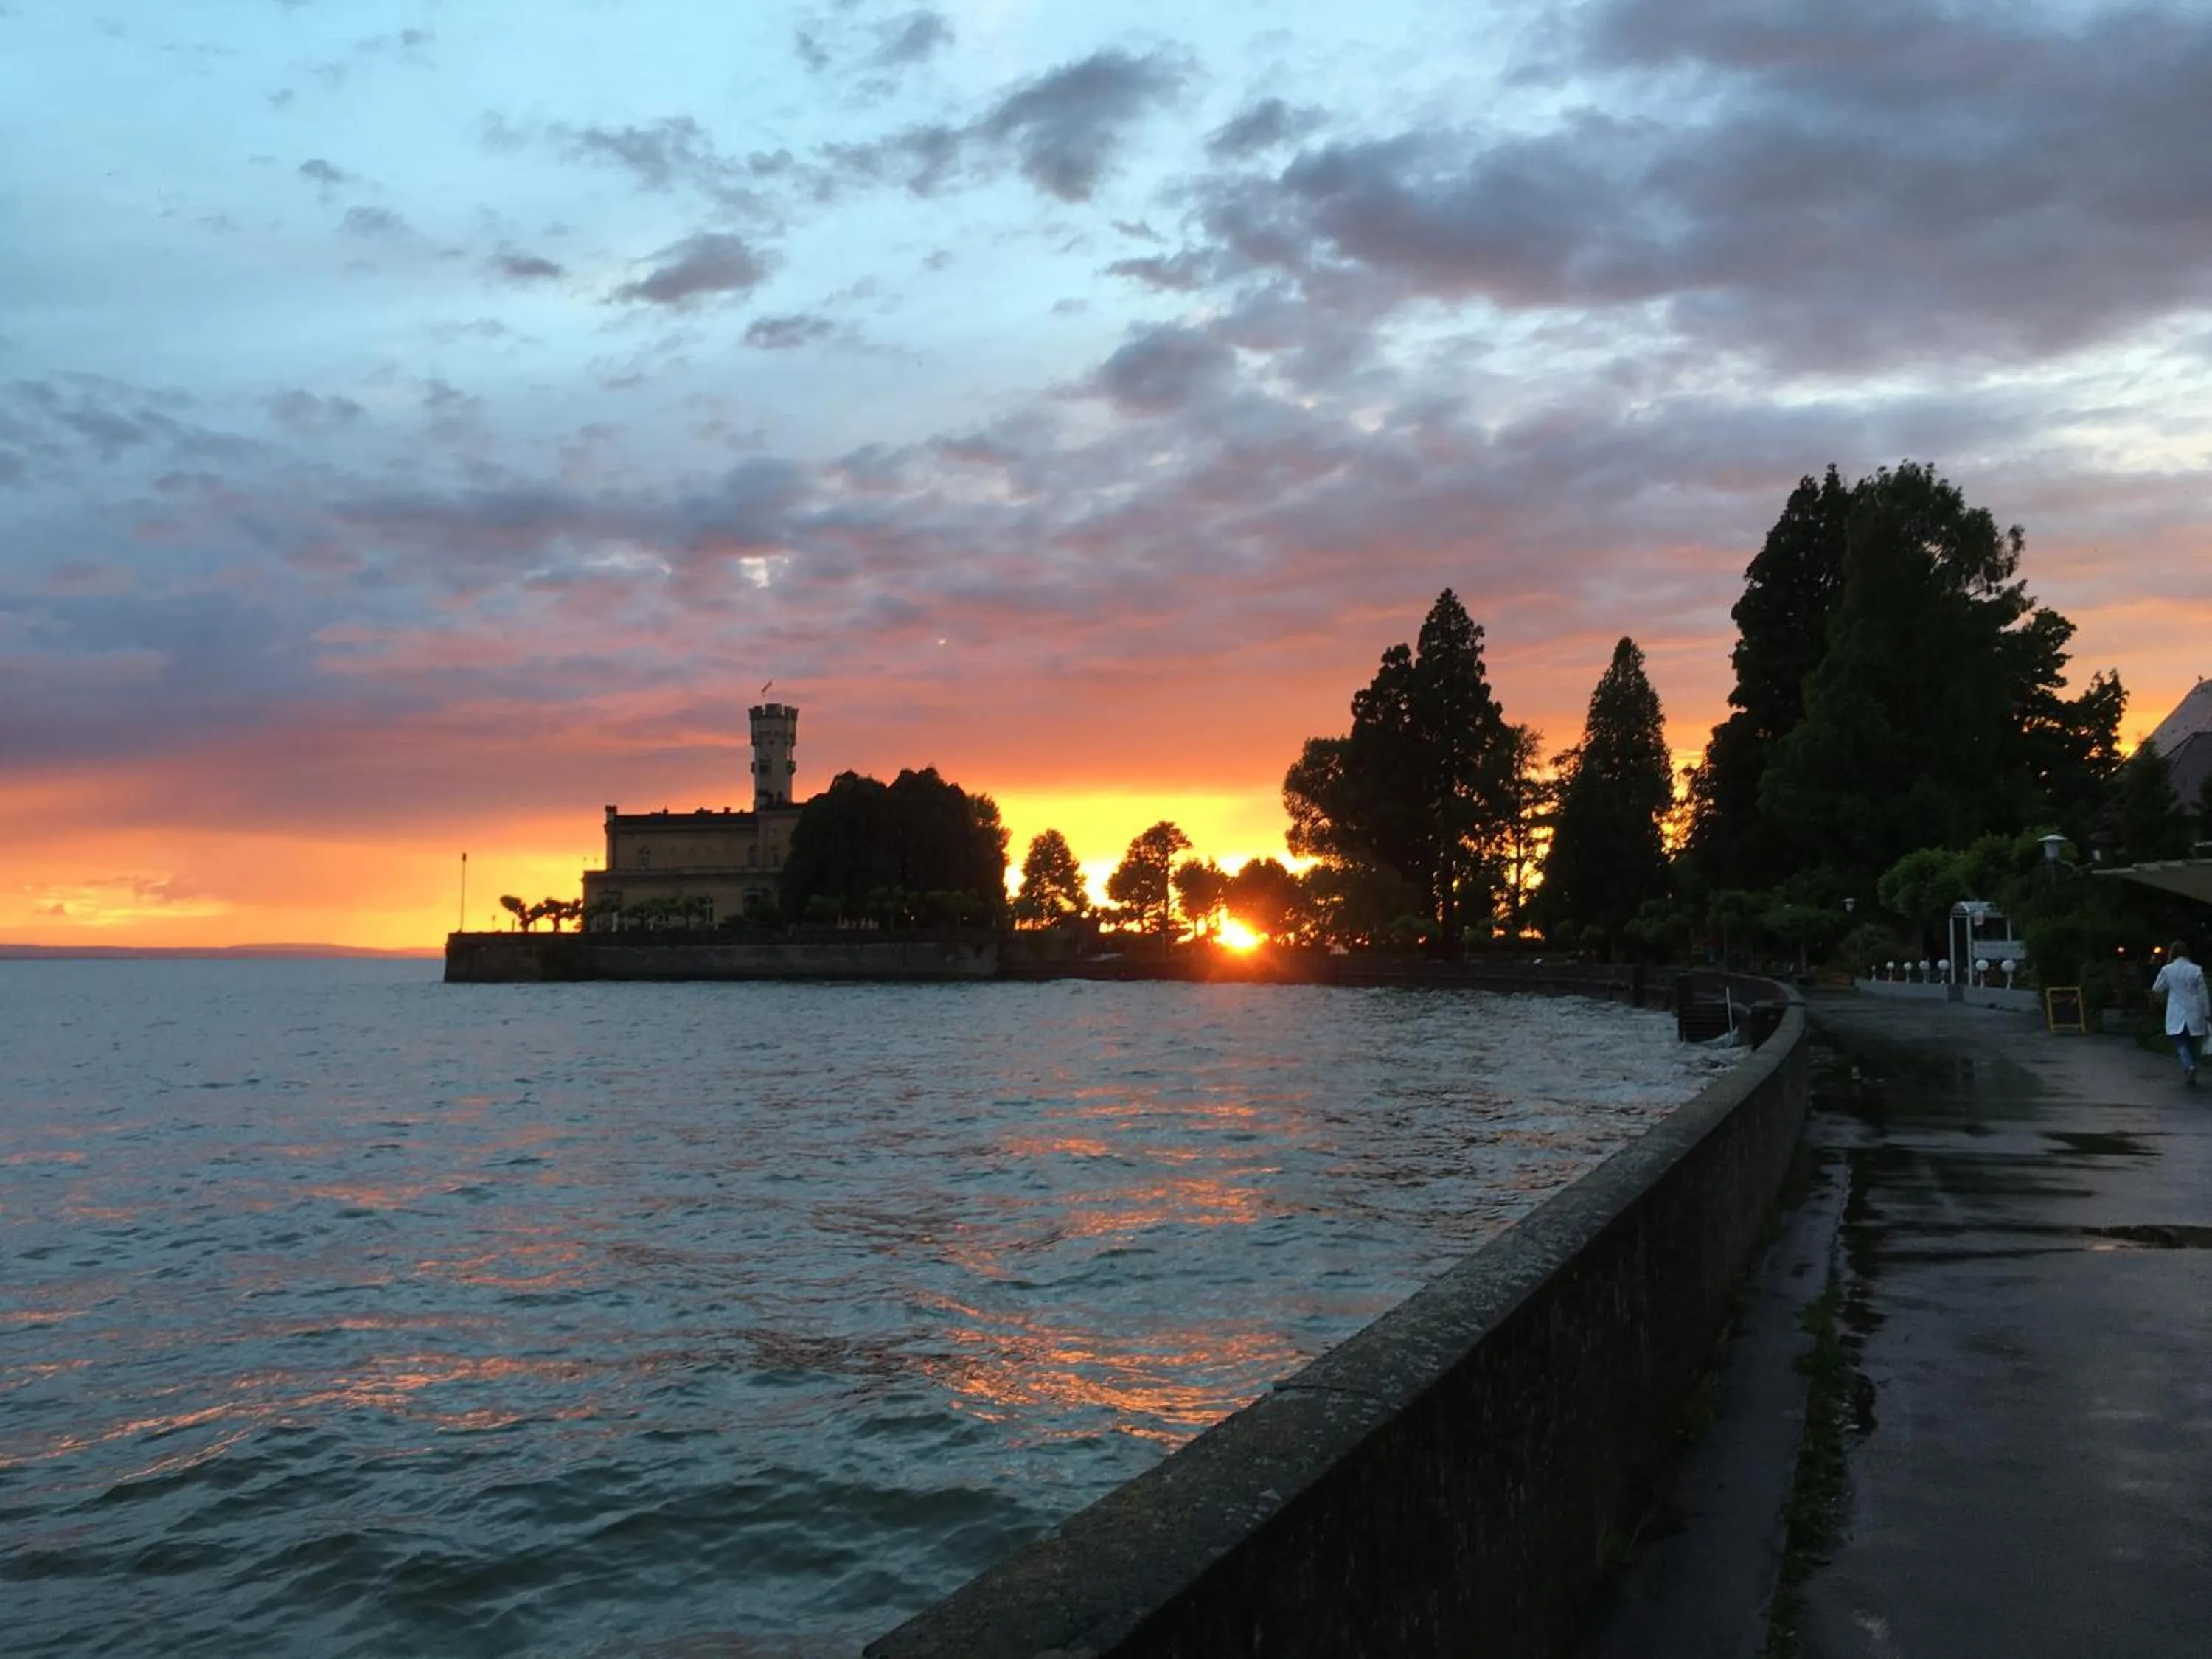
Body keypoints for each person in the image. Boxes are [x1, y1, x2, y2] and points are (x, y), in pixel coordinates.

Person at [2149, 940, 2210, 1085]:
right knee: (2193, 1042)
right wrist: (2207, 1012)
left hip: (2177, 1011)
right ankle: (2192, 1066)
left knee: (2180, 1041)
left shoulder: (2167, 970)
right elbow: (2203, 994)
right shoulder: (2196, 970)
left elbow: (2157, 988)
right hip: (2195, 1011)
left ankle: (2189, 1066)